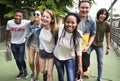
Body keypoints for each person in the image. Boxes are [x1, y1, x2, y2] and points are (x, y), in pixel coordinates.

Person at [54, 13, 83, 81]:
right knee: (61, 77)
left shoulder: (79, 34)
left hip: (70, 58)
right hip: (57, 57)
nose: (70, 24)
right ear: (64, 22)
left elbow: (79, 50)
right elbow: (50, 25)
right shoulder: (60, 28)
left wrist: (80, 65)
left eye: (73, 23)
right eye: (67, 22)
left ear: (77, 24)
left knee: (71, 79)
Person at [5, 9, 30, 79]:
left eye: (20, 16)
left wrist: (38, 15)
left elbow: (34, 22)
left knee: (20, 59)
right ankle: (20, 71)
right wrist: (6, 41)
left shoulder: (25, 22)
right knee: (16, 59)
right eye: (16, 15)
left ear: (22, 17)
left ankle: (25, 70)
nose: (18, 17)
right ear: (14, 16)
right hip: (13, 43)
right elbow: (7, 32)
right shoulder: (9, 23)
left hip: (22, 43)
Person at [88, 8, 110, 81]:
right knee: (83, 58)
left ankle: (99, 77)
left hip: (99, 45)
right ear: (98, 14)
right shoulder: (92, 21)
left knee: (100, 62)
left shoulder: (107, 24)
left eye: (105, 14)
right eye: (101, 14)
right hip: (90, 44)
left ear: (106, 16)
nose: (103, 16)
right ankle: (82, 72)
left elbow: (108, 36)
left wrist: (108, 47)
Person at [77, 0, 96, 78]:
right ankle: (77, 78)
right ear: (79, 7)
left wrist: (88, 45)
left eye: (87, 8)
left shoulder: (92, 20)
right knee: (75, 65)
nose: (84, 10)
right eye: (82, 7)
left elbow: (93, 34)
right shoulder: (74, 17)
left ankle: (80, 75)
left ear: (90, 8)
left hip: (85, 47)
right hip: (74, 46)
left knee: (85, 66)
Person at [38, 9, 57, 81]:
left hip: (51, 53)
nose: (44, 18)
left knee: (50, 73)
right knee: (42, 70)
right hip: (42, 52)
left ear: (52, 20)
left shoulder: (55, 30)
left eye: (47, 17)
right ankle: (44, 73)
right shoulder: (40, 27)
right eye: (43, 16)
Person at [27, 10, 42, 81]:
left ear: (41, 16)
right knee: (31, 62)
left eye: (38, 14)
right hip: (31, 45)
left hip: (39, 46)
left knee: (37, 63)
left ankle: (37, 76)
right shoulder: (31, 25)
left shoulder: (43, 26)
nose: (36, 15)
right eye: (34, 14)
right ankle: (33, 73)